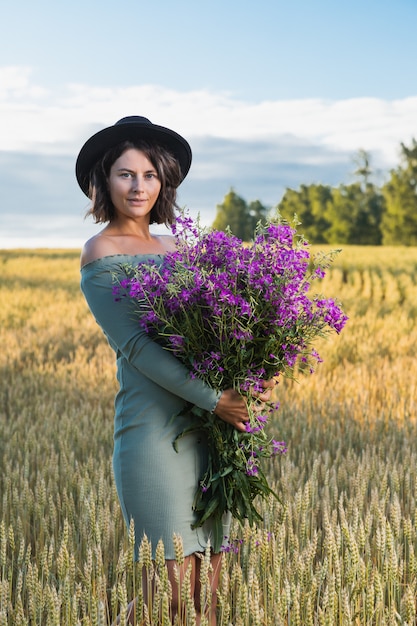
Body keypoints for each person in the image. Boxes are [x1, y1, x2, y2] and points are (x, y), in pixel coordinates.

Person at [76, 116, 273, 625]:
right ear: (104, 181)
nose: (138, 186)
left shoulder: (176, 248)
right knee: (167, 597)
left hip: (208, 436)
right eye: (125, 174)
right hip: (153, 435)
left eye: (148, 174)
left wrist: (252, 374)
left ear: (163, 181)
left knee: (205, 597)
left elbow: (220, 328)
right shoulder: (101, 252)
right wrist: (217, 400)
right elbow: (138, 349)